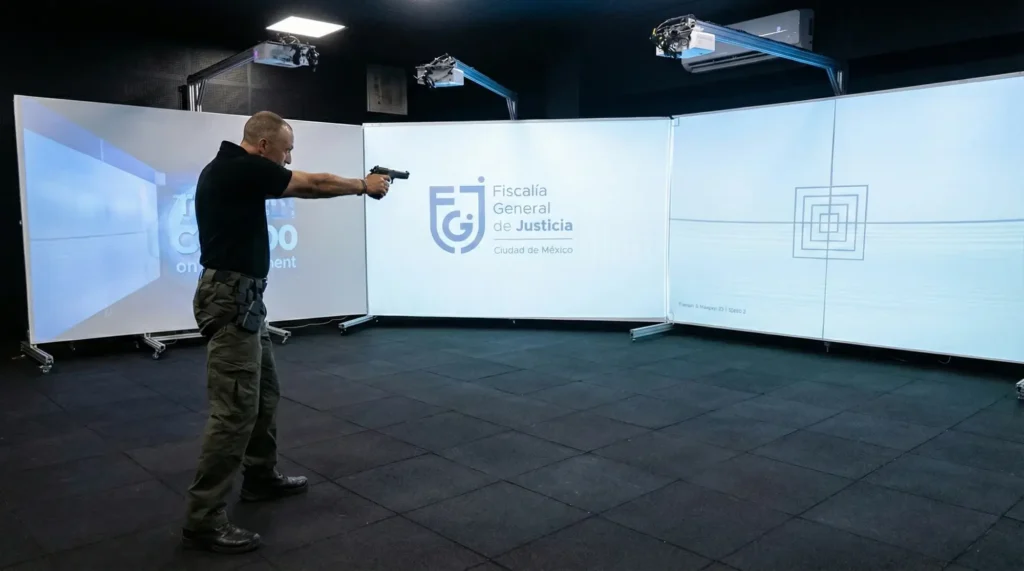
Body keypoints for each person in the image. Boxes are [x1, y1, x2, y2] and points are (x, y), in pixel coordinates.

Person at [180, 111, 391, 554]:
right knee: (233, 410)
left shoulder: (232, 168)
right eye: (286, 149)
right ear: (263, 145)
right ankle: (203, 518)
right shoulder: (239, 167)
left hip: (243, 301)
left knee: (264, 394)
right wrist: (363, 185)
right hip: (231, 301)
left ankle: (260, 477)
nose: (289, 157)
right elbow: (313, 184)